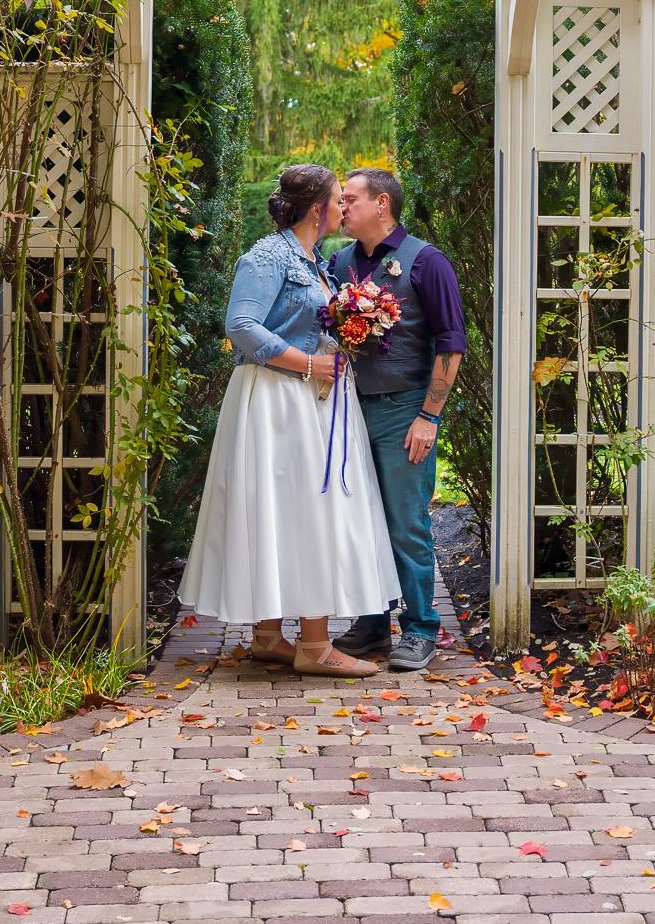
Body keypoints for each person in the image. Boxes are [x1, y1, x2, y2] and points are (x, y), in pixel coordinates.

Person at [178, 163, 401, 676]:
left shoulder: (317, 261)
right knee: (302, 509)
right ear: (318, 208)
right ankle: (315, 647)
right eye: (338, 199)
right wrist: (309, 364)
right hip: (276, 401)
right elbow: (240, 325)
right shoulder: (266, 256)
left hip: (310, 402)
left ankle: (269, 638)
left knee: (292, 510)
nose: (344, 207)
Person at [328, 167, 466, 672]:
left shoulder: (427, 262)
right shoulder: (339, 263)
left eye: (350, 198)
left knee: (405, 523)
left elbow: (451, 343)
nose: (341, 207)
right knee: (358, 520)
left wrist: (429, 415)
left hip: (404, 410)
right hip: (347, 411)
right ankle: (370, 623)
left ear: (381, 204)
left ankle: (421, 627)